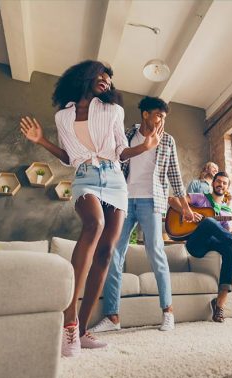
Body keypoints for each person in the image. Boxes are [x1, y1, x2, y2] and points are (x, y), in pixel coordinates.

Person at [20, 60, 163, 357]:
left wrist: (145, 147)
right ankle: (69, 318)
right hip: (85, 178)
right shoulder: (63, 116)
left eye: (109, 79)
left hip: (114, 179)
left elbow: (121, 151)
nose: (106, 81)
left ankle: (81, 330)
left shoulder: (113, 110)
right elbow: (67, 156)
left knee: (108, 252)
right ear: (84, 76)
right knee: (94, 225)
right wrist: (41, 140)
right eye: (101, 74)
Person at [89, 96, 194, 333]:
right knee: (114, 254)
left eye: (164, 117)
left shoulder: (167, 140)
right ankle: (113, 318)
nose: (161, 121)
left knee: (156, 252)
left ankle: (168, 312)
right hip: (122, 201)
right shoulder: (126, 136)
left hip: (152, 201)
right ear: (145, 114)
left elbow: (175, 175)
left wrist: (186, 207)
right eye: (158, 115)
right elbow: (113, 161)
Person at [168, 171, 232, 323]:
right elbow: (172, 200)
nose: (221, 185)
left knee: (230, 248)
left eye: (225, 183)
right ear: (213, 183)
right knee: (209, 222)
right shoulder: (200, 197)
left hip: (213, 246)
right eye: (218, 181)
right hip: (195, 245)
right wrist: (189, 211)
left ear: (227, 188)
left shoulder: (226, 211)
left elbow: (228, 235)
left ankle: (219, 305)